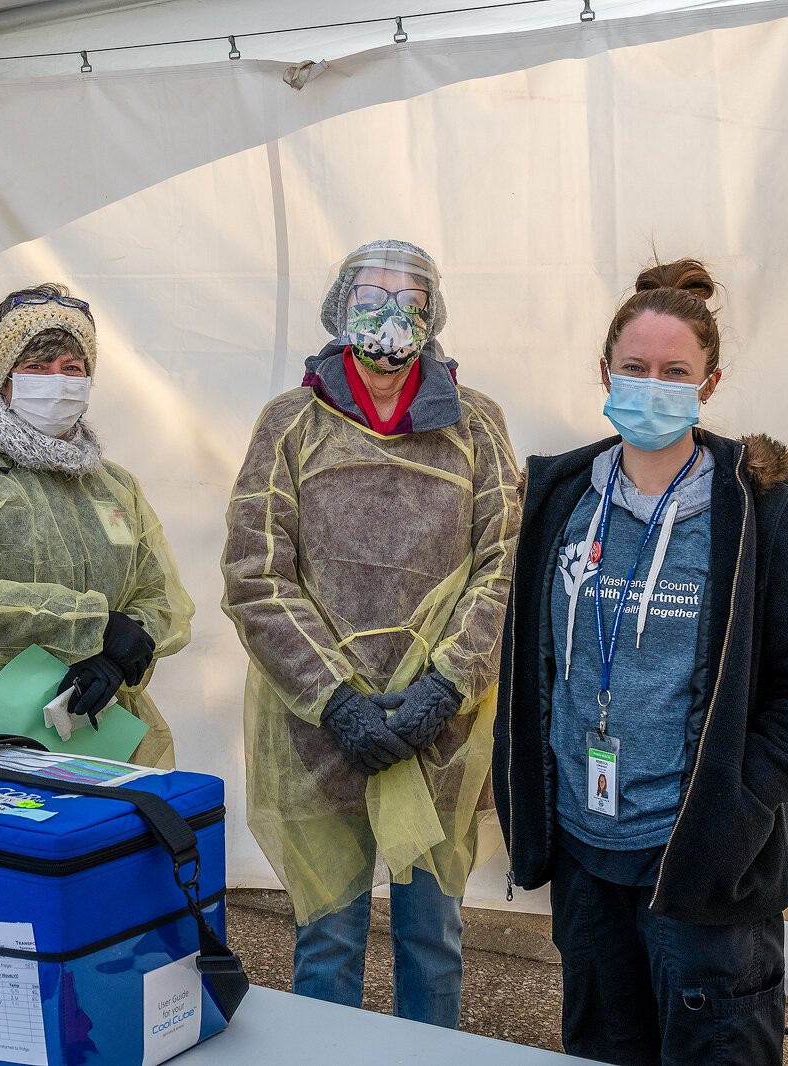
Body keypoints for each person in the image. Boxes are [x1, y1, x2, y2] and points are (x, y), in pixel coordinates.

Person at [494, 258, 788, 1064]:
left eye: (674, 372)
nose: (651, 386)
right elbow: (533, 660)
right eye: (635, 369)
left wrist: (737, 809)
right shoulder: (562, 498)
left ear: (710, 383)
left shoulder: (759, 511)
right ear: (604, 373)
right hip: (586, 856)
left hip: (700, 871)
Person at [222, 240, 519, 1028]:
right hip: (324, 733)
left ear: (435, 314)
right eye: (372, 300)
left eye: (410, 302)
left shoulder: (475, 427)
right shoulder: (291, 424)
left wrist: (445, 686)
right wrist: (336, 702)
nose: (392, 320)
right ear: (338, 308)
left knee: (433, 939)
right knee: (330, 939)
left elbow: (504, 565)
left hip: (438, 734)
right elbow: (256, 573)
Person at [0, 283, 192, 767]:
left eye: (72, 368)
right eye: (36, 366)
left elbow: (160, 595)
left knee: (98, 842)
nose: (58, 380)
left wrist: (118, 655)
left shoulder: (113, 486)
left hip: (101, 728)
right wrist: (90, 627)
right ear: (3, 379)